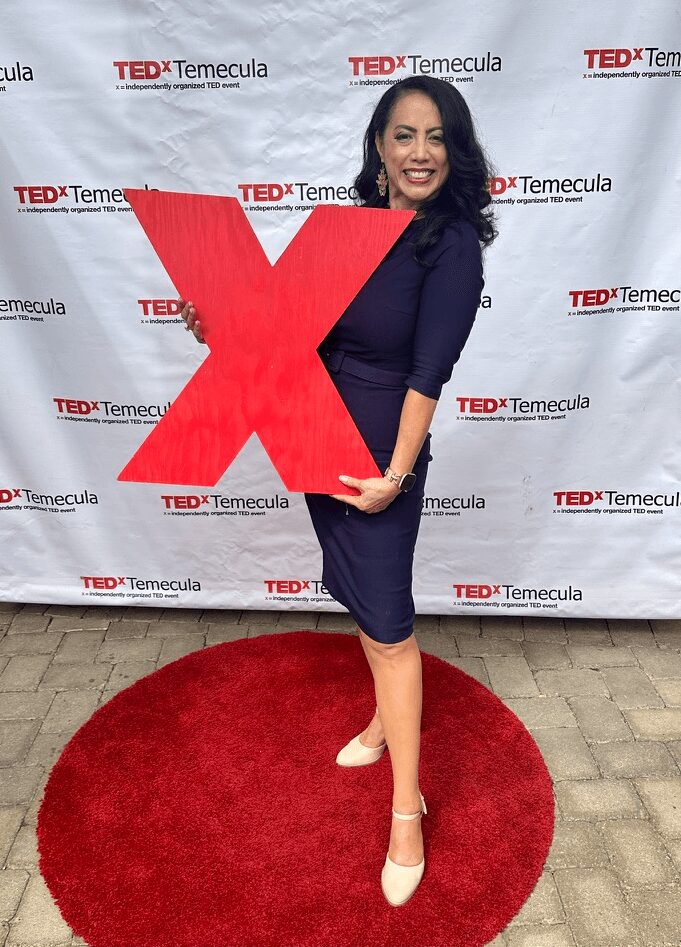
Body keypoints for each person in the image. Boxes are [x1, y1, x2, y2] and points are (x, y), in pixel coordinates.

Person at [180, 75, 496, 907]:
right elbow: (291, 333)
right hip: (311, 433)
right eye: (403, 134)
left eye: (435, 136)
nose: (418, 151)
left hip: (376, 457)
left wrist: (394, 475)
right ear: (379, 148)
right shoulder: (345, 230)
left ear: (452, 150)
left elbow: (429, 372)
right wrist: (219, 323)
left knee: (391, 628)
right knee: (358, 599)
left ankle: (406, 809)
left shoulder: (451, 243)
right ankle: (379, 725)